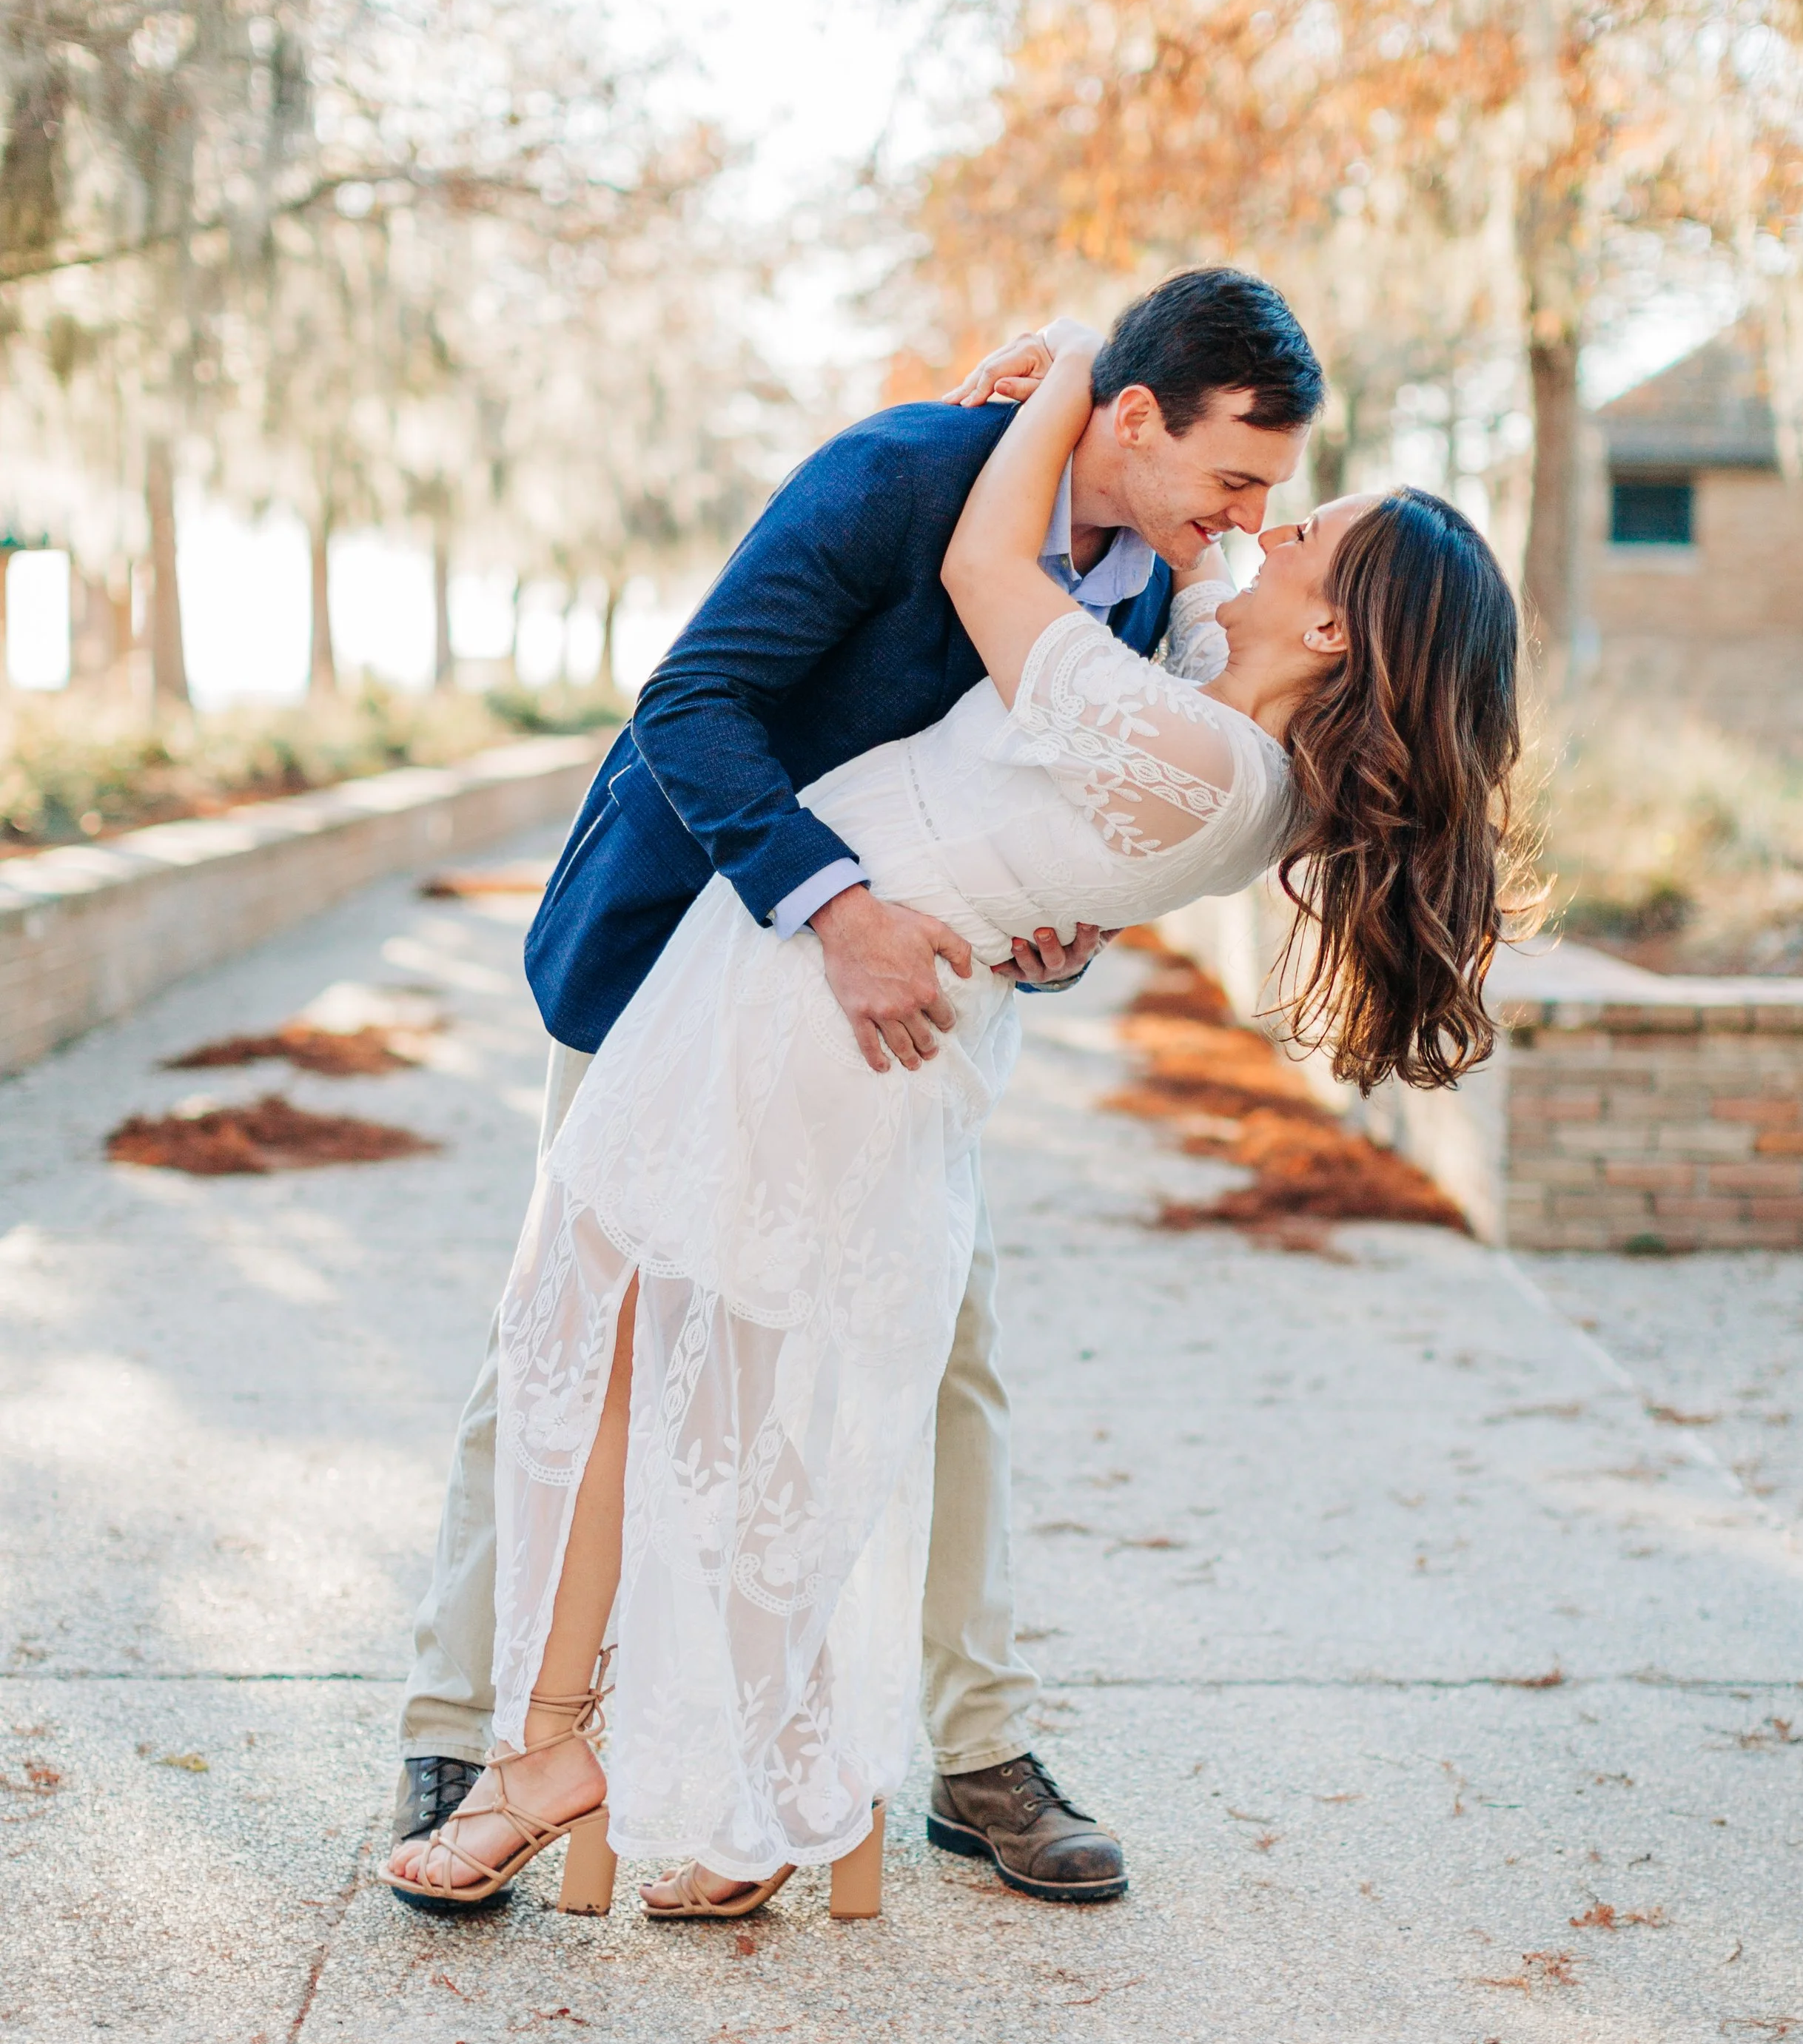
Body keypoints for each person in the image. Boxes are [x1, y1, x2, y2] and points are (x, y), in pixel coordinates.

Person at [386, 315, 1523, 1918]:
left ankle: (570, 1753)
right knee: (720, 1391)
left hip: (815, 1019)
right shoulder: (1141, 635)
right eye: (1242, 481)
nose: (1254, 521)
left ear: (1336, 628)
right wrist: (1004, 912)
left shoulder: (1179, 685)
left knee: (655, 1374)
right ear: (1144, 421)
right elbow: (706, 703)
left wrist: (1063, 365)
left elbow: (1006, 612)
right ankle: (688, 1784)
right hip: (735, 947)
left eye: (1289, 515)